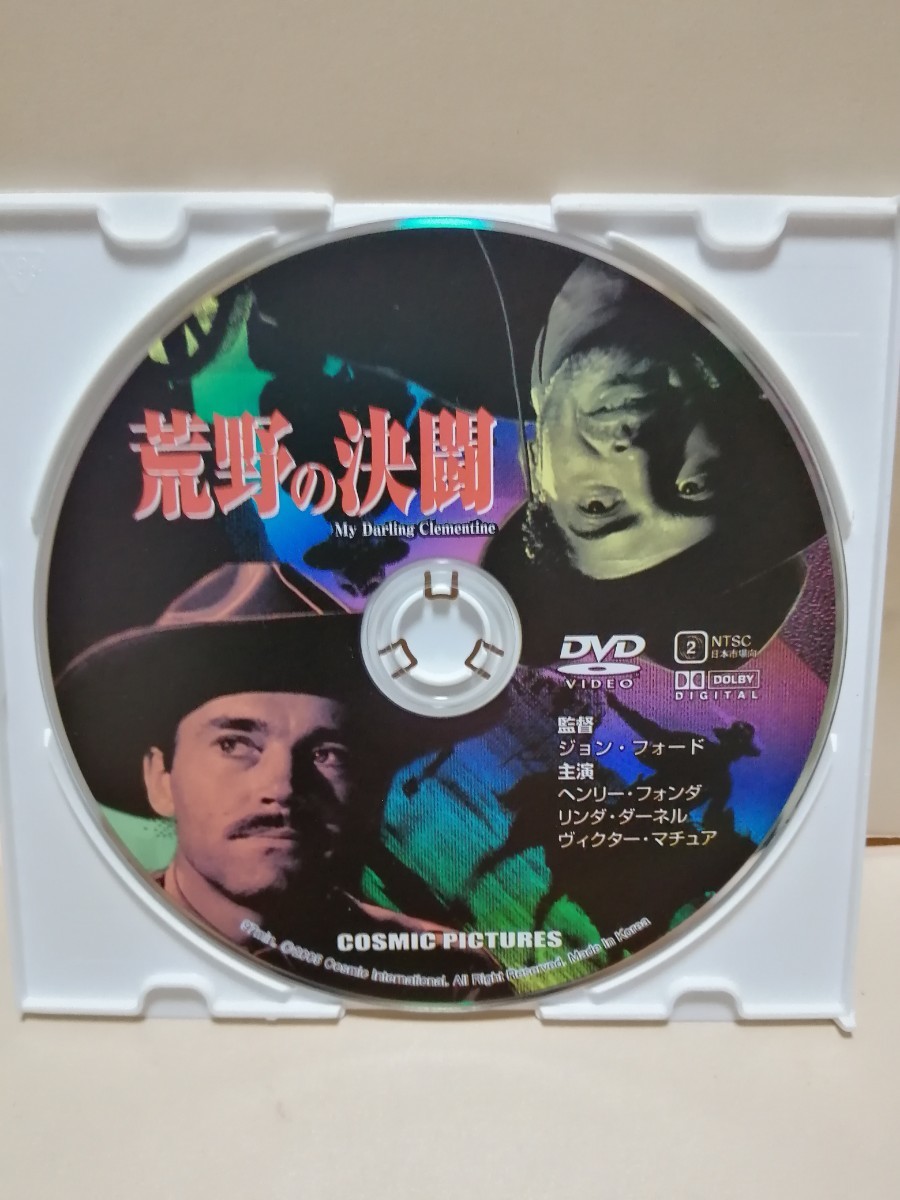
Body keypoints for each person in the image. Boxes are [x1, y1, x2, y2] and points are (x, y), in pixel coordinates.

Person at [54, 561, 511, 1002]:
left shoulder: (449, 980)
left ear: (370, 795)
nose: (283, 788)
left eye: (327, 754)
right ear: (160, 779)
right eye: (235, 744)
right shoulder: (83, 958)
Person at [483, 258, 829, 669]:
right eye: (694, 486)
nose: (638, 460)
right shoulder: (796, 292)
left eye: (598, 506)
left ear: (534, 466)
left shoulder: (443, 313)